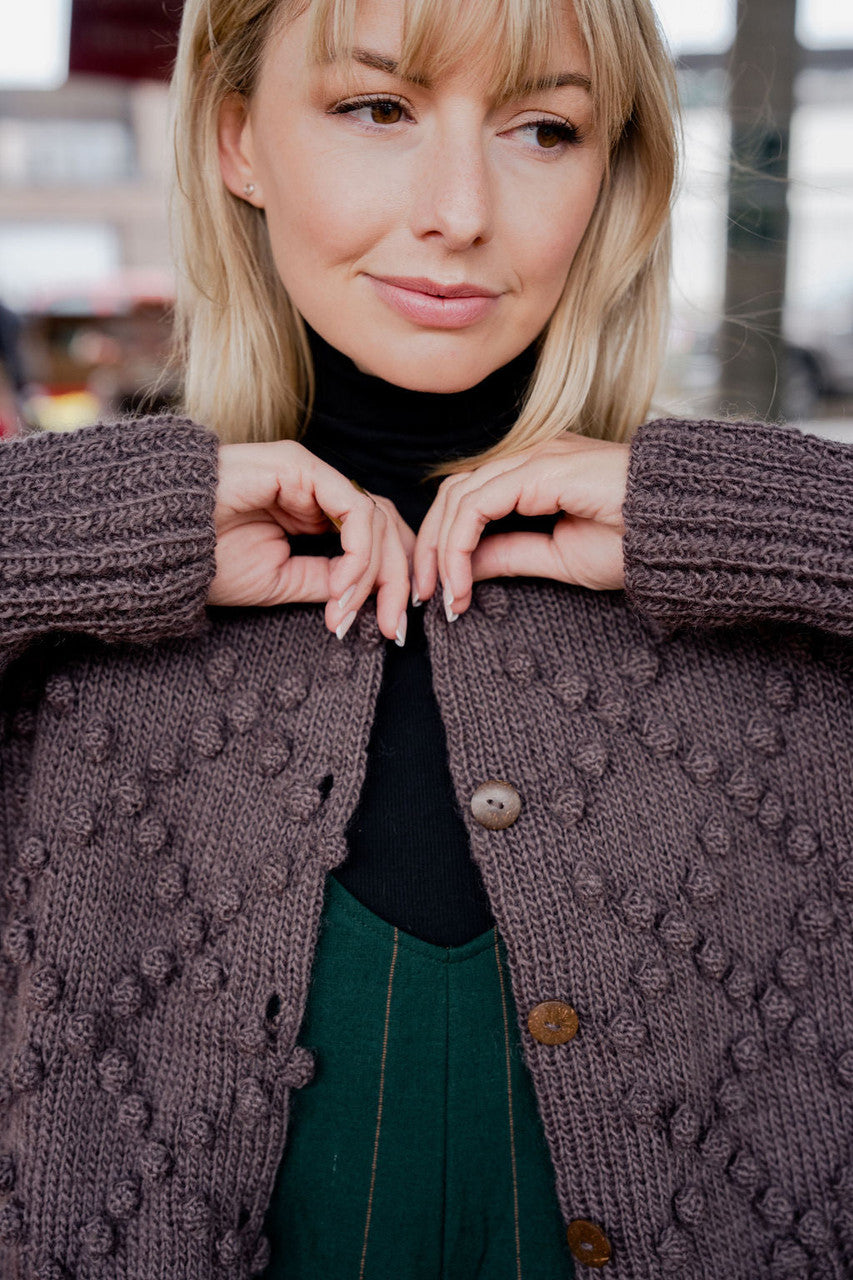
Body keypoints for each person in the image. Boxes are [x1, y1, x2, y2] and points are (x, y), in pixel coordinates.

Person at [0, 0, 851, 1277]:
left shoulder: (790, 644)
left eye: (544, 128)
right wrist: (97, 525)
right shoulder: (63, 642)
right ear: (238, 138)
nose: (459, 210)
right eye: (376, 108)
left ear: (611, 176)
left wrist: (759, 516)